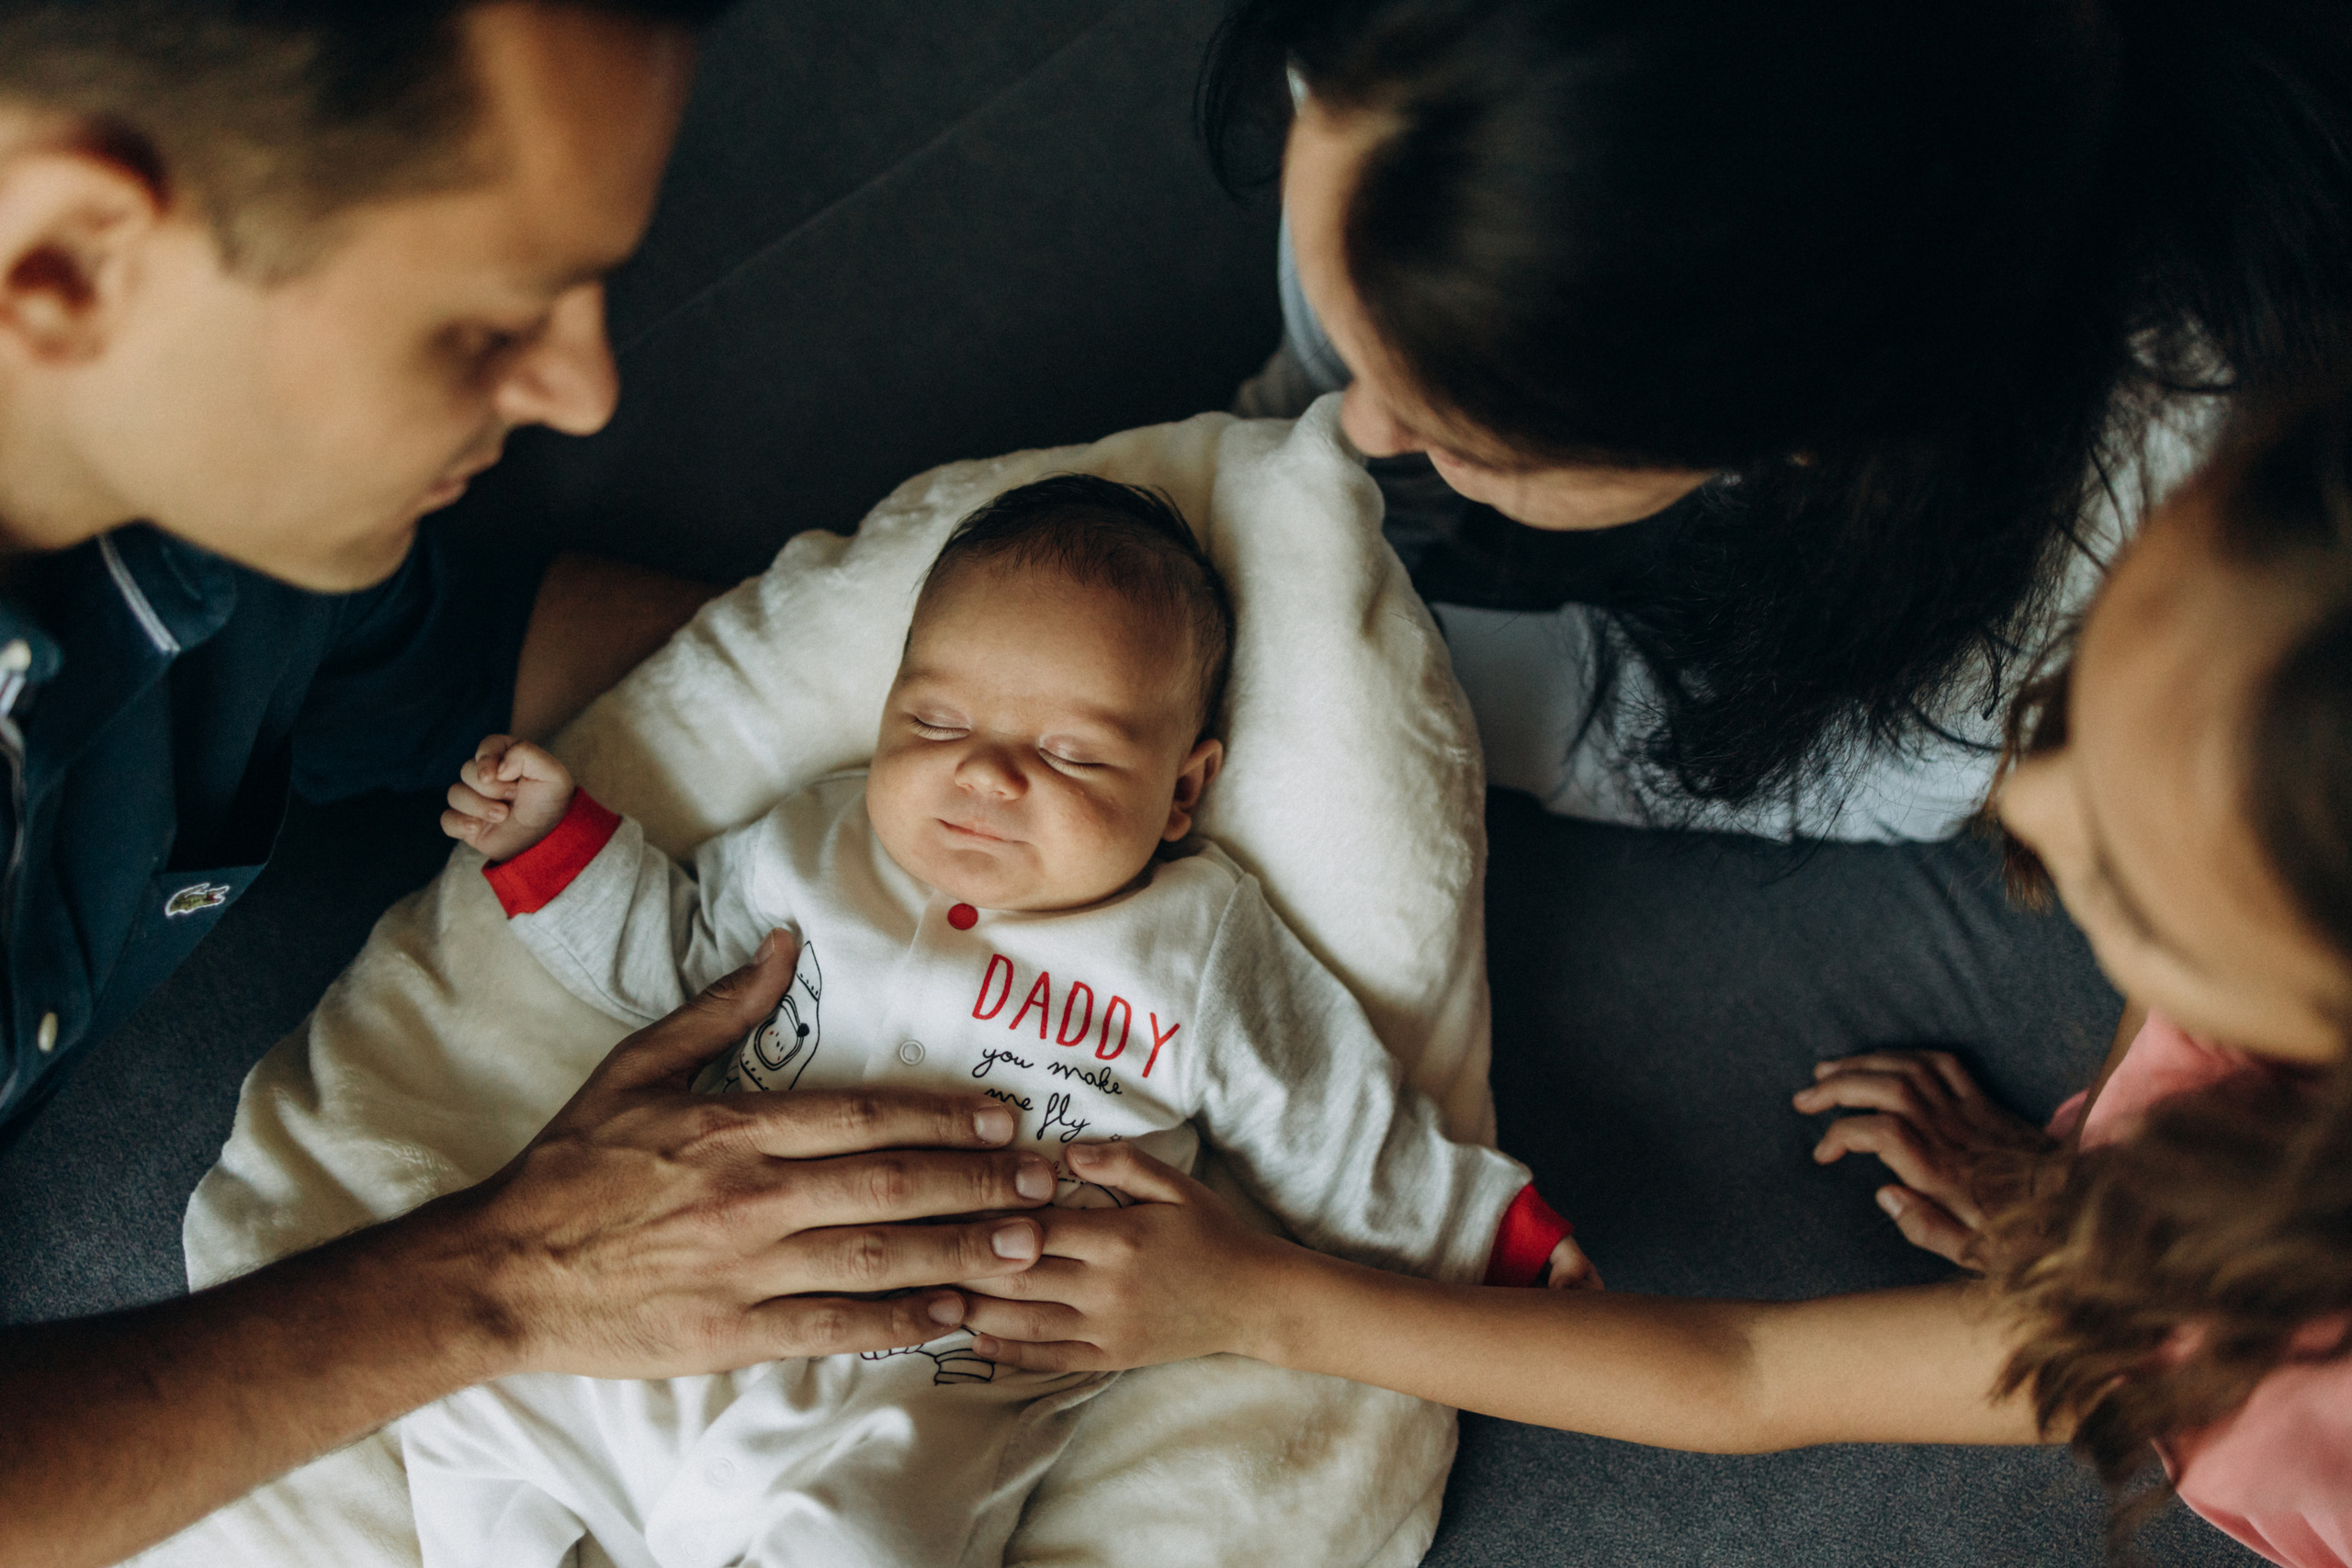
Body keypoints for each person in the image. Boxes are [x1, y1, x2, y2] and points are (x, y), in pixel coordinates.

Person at [0, 8, 1069, 1565]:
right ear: (70, 264)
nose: (583, 393)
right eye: (486, 327)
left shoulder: (246, 524)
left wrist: (1020, 730)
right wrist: (510, 1277)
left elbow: (508, 673)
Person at [957, 382, 2352, 1567]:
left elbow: (1751, 1372)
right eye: (2077, 719)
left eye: (2125, 882)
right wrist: (2088, 1191)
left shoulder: (2249, 1317)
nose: (2030, 808)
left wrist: (1252, 1297)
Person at [398, 473, 1587, 1568]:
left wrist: (1497, 1237)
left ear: (1181, 789)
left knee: (858, 1540)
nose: (985, 775)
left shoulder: (1197, 943)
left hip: (927, 1388)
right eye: (933, 724)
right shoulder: (810, 850)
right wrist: (555, 845)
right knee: (464, 1394)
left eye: (1067, 752)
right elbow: (675, 963)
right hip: (695, 1293)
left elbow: (1332, 1121)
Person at [1212, 0, 2352, 841]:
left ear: (1800, 438)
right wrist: (1249, 460)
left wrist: (1347, 667)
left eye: (1465, 435)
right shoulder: (1411, 80)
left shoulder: (2124, 534)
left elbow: (1795, 761)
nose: (1356, 431)